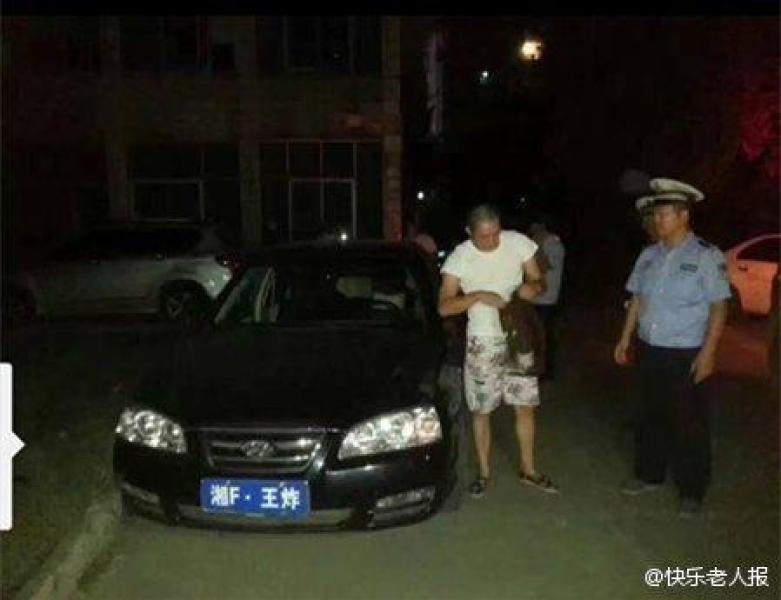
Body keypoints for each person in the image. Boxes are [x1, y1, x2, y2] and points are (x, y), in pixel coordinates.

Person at [614, 177, 731, 518]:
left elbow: (719, 307)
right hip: (650, 348)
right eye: (656, 215)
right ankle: (648, 474)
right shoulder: (650, 255)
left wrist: (708, 354)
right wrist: (625, 338)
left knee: (689, 423)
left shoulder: (706, 256)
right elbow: (637, 299)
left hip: (685, 352)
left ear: (683, 216)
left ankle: (692, 491)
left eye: (664, 214)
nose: (657, 221)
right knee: (649, 415)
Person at [439, 204, 558, 498]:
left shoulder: (518, 242)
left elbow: (539, 281)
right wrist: (478, 295)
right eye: (484, 236)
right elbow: (444, 307)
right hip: (483, 341)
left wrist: (533, 287)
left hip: (519, 337)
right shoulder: (460, 257)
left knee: (525, 405)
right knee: (482, 410)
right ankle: (483, 473)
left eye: (496, 233)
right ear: (469, 232)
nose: (492, 241)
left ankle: (529, 469)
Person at [529, 217, 565, 380]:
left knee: (544, 336)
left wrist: (536, 247)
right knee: (534, 336)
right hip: (535, 298)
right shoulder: (540, 243)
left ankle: (545, 370)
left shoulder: (553, 244)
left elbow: (543, 266)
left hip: (547, 300)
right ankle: (539, 368)